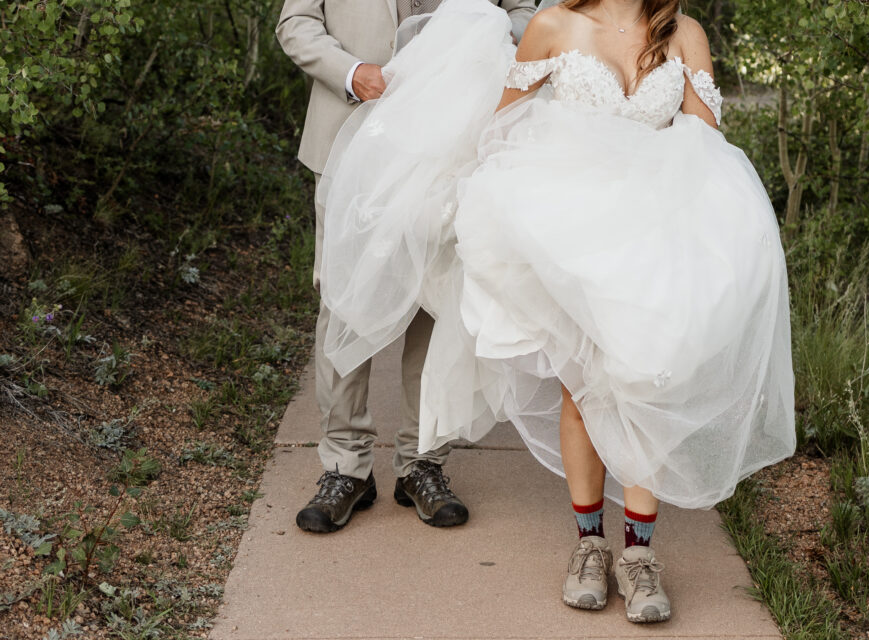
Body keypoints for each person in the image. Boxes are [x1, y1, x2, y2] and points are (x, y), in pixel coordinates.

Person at [317, 0, 796, 623]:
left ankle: (640, 554)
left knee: (647, 383)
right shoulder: (550, 26)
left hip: (655, 232)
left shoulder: (683, 33)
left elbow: (703, 135)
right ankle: (590, 544)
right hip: (574, 240)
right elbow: (501, 126)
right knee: (583, 387)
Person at [275, 0, 536, 534]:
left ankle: (423, 463)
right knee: (344, 301)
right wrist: (351, 72)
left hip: (450, 147)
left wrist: (483, 49)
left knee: (435, 302)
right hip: (349, 142)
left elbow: (524, 12)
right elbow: (296, 22)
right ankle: (346, 467)